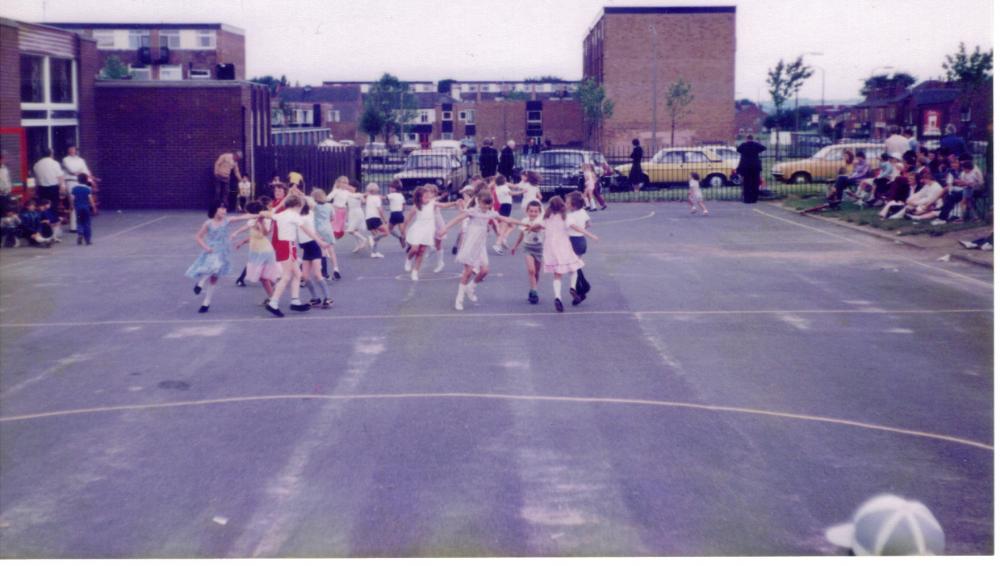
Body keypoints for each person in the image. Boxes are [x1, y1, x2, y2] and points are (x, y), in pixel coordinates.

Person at [437, 190, 525, 311]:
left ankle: (470, 288)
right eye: (484, 204)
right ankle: (459, 299)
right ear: (478, 201)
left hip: (480, 245)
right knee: (467, 272)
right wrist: (445, 228)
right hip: (470, 243)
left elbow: (507, 219)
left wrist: (524, 224)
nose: (486, 206)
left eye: (488, 204)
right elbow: (457, 219)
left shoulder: (490, 213)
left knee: (484, 271)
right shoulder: (472, 212)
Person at [265, 192, 332, 317]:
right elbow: (307, 230)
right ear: (297, 205)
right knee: (286, 276)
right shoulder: (294, 216)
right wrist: (320, 242)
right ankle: (273, 303)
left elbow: (266, 214)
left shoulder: (280, 215)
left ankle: (295, 301)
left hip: (283, 246)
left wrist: (258, 214)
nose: (302, 207)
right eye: (301, 205)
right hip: (288, 246)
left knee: (297, 274)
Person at [185, 202, 247, 313]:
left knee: (214, 277)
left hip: (223, 251)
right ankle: (201, 283)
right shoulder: (208, 223)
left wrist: (259, 214)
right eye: (221, 208)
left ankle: (206, 302)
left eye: (225, 209)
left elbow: (242, 217)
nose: (224, 211)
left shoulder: (226, 221)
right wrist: (206, 247)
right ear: (215, 209)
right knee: (214, 268)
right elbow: (198, 237)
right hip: (212, 250)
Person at [541, 195, 598, 312]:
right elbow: (577, 228)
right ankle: (573, 287)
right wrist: (591, 235)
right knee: (574, 267)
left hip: (550, 248)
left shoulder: (546, 217)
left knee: (557, 275)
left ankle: (557, 297)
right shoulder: (566, 217)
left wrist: (530, 227)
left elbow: (538, 226)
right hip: (564, 246)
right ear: (562, 205)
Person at [230, 202, 280, 303]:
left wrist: (260, 223)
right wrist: (241, 240)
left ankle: (273, 299)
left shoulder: (261, 220)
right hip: (257, 251)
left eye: (248, 212)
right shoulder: (252, 221)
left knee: (264, 277)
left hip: (264, 251)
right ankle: (273, 297)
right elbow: (250, 232)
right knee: (264, 278)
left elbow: (264, 233)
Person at [295, 199, 332, 309]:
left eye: (299, 205)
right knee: (305, 276)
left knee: (317, 274)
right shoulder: (297, 215)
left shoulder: (308, 215)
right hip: (306, 248)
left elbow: (309, 231)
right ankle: (315, 298)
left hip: (313, 246)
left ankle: (327, 297)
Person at [510, 200, 545, 304]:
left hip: (539, 248)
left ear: (539, 212)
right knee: (531, 270)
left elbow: (538, 230)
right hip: (528, 247)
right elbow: (521, 235)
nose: (533, 213)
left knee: (537, 272)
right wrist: (515, 246)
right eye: (531, 211)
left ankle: (533, 289)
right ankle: (534, 292)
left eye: (535, 211)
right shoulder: (524, 221)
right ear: (527, 211)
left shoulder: (541, 221)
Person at [402, 185, 438, 281]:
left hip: (428, 230)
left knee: (421, 251)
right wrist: (403, 232)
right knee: (414, 249)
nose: (427, 198)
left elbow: (444, 205)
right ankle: (409, 259)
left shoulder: (432, 203)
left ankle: (415, 272)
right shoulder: (416, 207)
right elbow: (407, 220)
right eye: (424, 197)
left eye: (428, 196)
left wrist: (454, 203)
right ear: (419, 198)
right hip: (418, 229)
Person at [565, 191, 594, 305]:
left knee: (573, 268)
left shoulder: (570, 216)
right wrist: (583, 228)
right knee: (576, 266)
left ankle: (581, 289)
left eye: (567, 203)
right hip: (581, 241)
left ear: (573, 205)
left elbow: (566, 228)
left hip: (573, 241)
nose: (565, 204)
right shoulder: (583, 212)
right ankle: (583, 288)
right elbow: (589, 224)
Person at [308, 188, 341, 280]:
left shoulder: (315, 207)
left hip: (318, 229)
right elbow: (332, 217)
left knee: (322, 250)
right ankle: (336, 268)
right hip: (328, 228)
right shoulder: (329, 206)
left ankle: (323, 270)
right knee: (331, 250)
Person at [33, 148, 65, 216]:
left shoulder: (36, 165)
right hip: (53, 188)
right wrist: (62, 187)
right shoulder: (55, 163)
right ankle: (53, 222)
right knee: (53, 206)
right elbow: (60, 177)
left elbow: (36, 179)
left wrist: (35, 189)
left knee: (43, 206)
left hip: (41, 188)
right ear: (51, 154)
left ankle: (45, 221)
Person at [736, 135, 766, 203]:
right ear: (753, 139)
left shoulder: (743, 145)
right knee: (755, 183)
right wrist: (757, 143)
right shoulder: (756, 145)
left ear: (746, 139)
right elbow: (764, 148)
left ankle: (747, 199)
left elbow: (738, 149)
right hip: (755, 166)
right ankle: (754, 199)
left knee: (746, 183)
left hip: (746, 167)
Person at [363, 182, 389, 259]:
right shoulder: (377, 198)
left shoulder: (368, 197)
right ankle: (372, 239)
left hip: (368, 219)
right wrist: (385, 219)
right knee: (386, 232)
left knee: (376, 235)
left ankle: (374, 252)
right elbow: (380, 210)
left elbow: (364, 196)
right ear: (375, 190)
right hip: (375, 218)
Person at [69, 174, 96, 245]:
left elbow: (72, 199)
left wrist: (71, 206)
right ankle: (88, 240)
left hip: (78, 208)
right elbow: (90, 199)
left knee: (79, 221)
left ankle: (80, 233)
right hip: (86, 208)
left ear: (78, 180)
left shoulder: (74, 188)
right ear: (86, 180)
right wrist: (94, 207)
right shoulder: (88, 189)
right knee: (87, 223)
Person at [492, 174, 515, 254]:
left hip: (501, 206)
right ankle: (498, 244)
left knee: (512, 225)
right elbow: (511, 193)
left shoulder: (497, 187)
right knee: (504, 226)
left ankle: (503, 239)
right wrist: (522, 191)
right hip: (506, 206)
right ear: (504, 181)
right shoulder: (504, 187)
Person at [386, 179, 407, 248]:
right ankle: (407, 242)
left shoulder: (391, 195)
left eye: (392, 187)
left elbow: (384, 198)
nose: (390, 188)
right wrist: (402, 210)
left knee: (389, 229)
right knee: (402, 231)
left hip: (394, 214)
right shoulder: (401, 195)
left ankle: (399, 237)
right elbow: (404, 205)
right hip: (400, 214)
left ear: (395, 189)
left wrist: (374, 197)